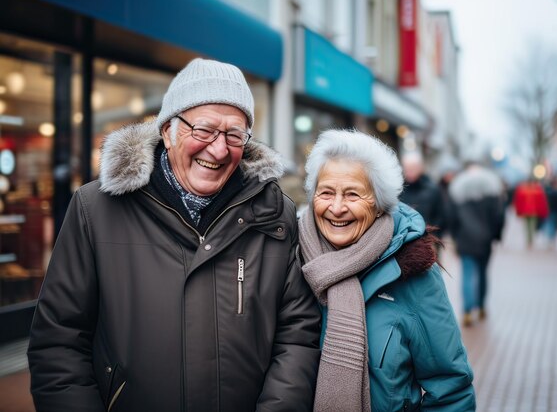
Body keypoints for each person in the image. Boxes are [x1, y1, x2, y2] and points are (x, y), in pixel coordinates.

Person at [27, 58, 321, 412]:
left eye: (234, 134)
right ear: (168, 130)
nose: (219, 149)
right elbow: (59, 342)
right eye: (204, 130)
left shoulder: (276, 216)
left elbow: (297, 336)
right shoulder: (96, 210)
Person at [298, 129, 475, 412]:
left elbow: (451, 389)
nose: (337, 207)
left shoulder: (412, 272)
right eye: (326, 192)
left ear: (380, 204)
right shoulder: (291, 258)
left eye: (353, 194)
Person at [448, 162, 505, 327]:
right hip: (485, 239)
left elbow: (452, 217)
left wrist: (455, 235)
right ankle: (480, 306)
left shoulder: (458, 191)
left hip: (465, 238)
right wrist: (496, 235)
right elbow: (499, 216)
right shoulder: (492, 192)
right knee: (482, 272)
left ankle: (467, 310)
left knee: (467, 273)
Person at [399, 152, 447, 238]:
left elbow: (441, 216)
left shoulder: (432, 189)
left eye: (413, 168)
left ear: (420, 168)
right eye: (407, 168)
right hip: (405, 240)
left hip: (428, 239)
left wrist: (434, 236)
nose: (410, 171)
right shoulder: (399, 190)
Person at [512, 179, 549, 248]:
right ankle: (530, 239)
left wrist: (518, 211)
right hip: (533, 211)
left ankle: (529, 239)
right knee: (531, 226)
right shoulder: (537, 190)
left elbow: (517, 201)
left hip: (526, 211)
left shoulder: (522, 190)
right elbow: (541, 202)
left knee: (527, 226)